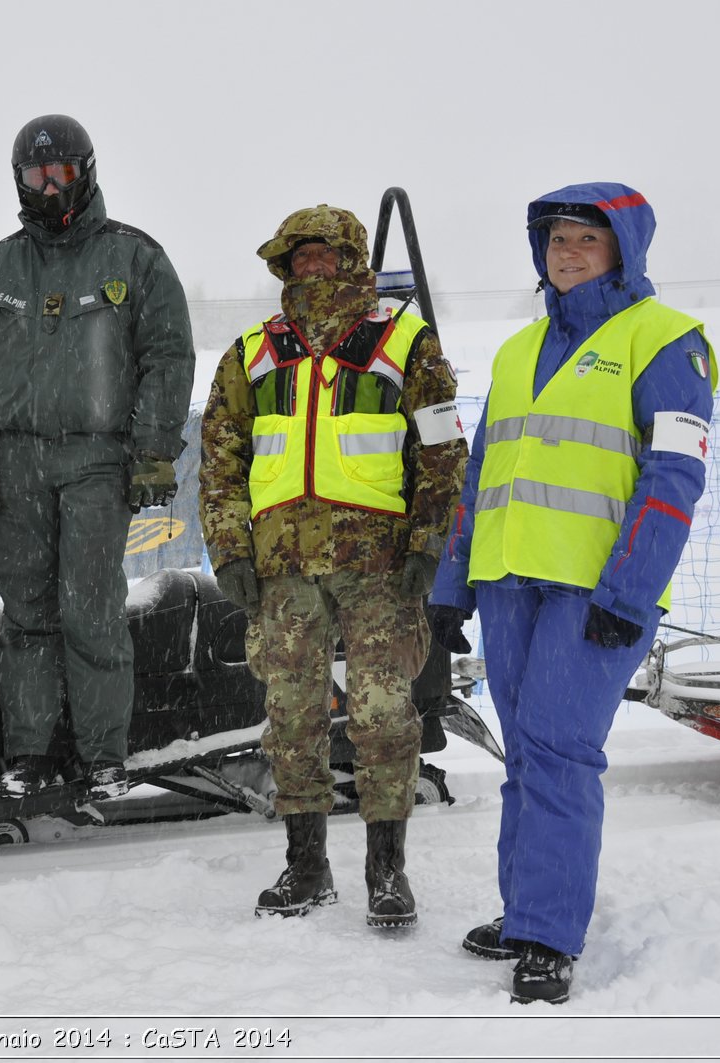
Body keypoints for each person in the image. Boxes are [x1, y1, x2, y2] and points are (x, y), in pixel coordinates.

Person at [429, 182, 716, 1004]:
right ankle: (526, 911)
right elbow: (481, 472)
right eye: (556, 239)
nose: (566, 253)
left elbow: (672, 480)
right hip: (512, 580)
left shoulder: (666, 342)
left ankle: (550, 935)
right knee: (526, 752)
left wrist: (629, 591)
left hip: (597, 591)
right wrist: (454, 585)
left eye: (585, 240)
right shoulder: (521, 350)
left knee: (558, 748)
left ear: (622, 248)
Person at [198, 206, 466, 928]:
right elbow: (220, 461)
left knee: (383, 716)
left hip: (377, 564)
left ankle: (387, 870)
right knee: (291, 719)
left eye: (323, 255)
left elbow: (441, 451)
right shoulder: (252, 352)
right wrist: (228, 548)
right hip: (282, 567)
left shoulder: (405, 342)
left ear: (351, 260)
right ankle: (307, 865)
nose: (311, 268)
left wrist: (427, 542)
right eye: (299, 257)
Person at [0, 114, 196, 800]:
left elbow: (166, 356)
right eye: (33, 176)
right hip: (16, 463)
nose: (46, 188)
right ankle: (27, 754)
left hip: (96, 462)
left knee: (90, 608)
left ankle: (103, 757)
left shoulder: (133, 259)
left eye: (57, 174)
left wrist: (151, 451)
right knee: (25, 614)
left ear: (84, 172)